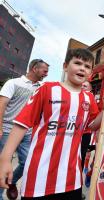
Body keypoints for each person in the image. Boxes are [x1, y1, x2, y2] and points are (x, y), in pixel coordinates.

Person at [0, 48, 104, 199]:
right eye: (77, 63)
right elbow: (22, 123)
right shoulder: (46, 89)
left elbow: (92, 125)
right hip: (39, 177)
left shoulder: (89, 98)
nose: (82, 68)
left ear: (90, 72)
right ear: (65, 66)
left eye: (87, 66)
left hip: (71, 178)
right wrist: (5, 159)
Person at [0, 59, 49, 200]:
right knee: (3, 164)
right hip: (8, 130)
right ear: (34, 68)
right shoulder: (13, 83)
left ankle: (11, 182)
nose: (46, 74)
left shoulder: (42, 87)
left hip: (27, 132)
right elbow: (2, 104)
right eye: (44, 71)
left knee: (27, 162)